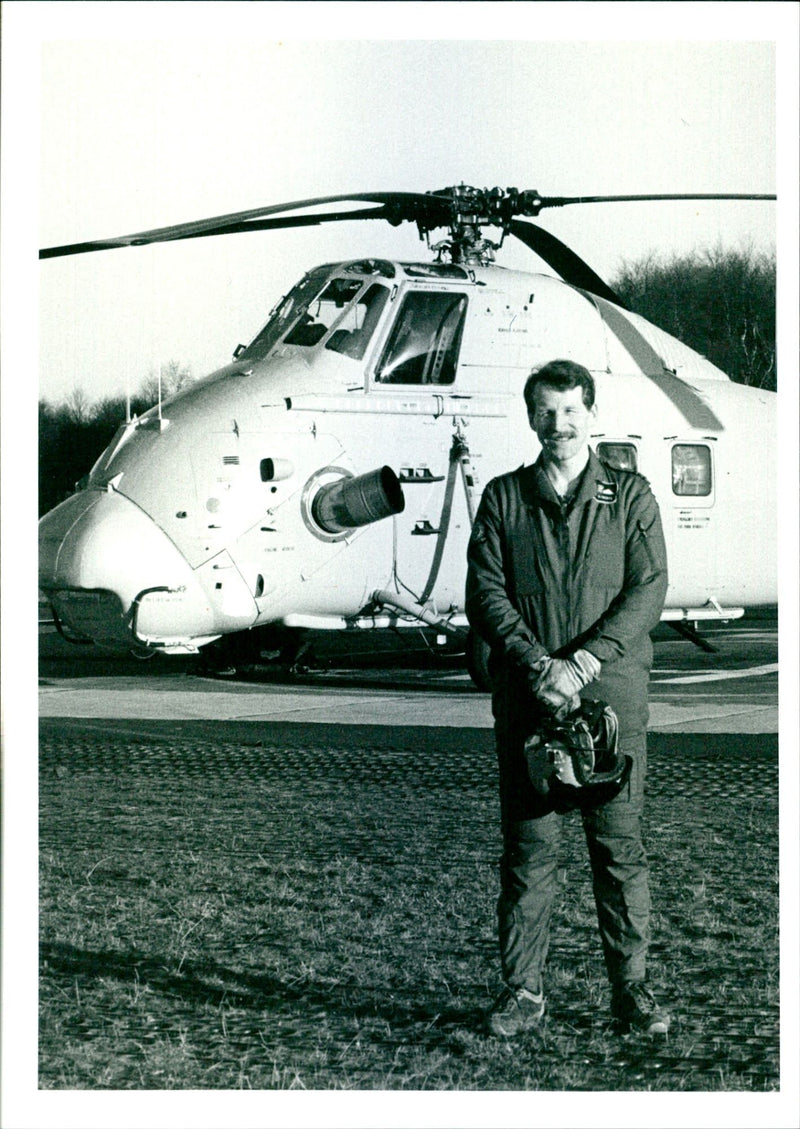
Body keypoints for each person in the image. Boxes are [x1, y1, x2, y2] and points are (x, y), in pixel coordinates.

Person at [465, 358, 670, 1037]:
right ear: (531, 417)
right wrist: (536, 664)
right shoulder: (502, 499)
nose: (560, 424)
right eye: (547, 411)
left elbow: (648, 589)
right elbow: (485, 594)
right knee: (530, 853)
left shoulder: (631, 496)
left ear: (591, 414)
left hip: (610, 703)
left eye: (572, 409)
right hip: (530, 706)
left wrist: (581, 662)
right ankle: (523, 990)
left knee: (619, 850)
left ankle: (631, 989)